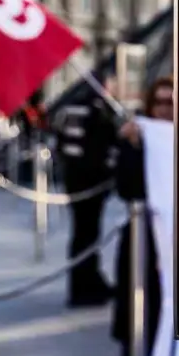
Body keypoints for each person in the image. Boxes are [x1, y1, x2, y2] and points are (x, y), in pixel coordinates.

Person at [112, 77, 172, 356]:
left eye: (173, 104)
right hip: (143, 247)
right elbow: (127, 189)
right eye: (160, 103)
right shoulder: (141, 138)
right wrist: (133, 147)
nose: (166, 110)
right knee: (140, 331)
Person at [58, 76, 120, 307]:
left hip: (74, 180)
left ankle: (88, 280)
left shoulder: (72, 107)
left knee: (82, 234)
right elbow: (103, 144)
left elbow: (62, 142)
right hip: (90, 182)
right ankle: (84, 288)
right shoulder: (97, 110)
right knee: (87, 234)